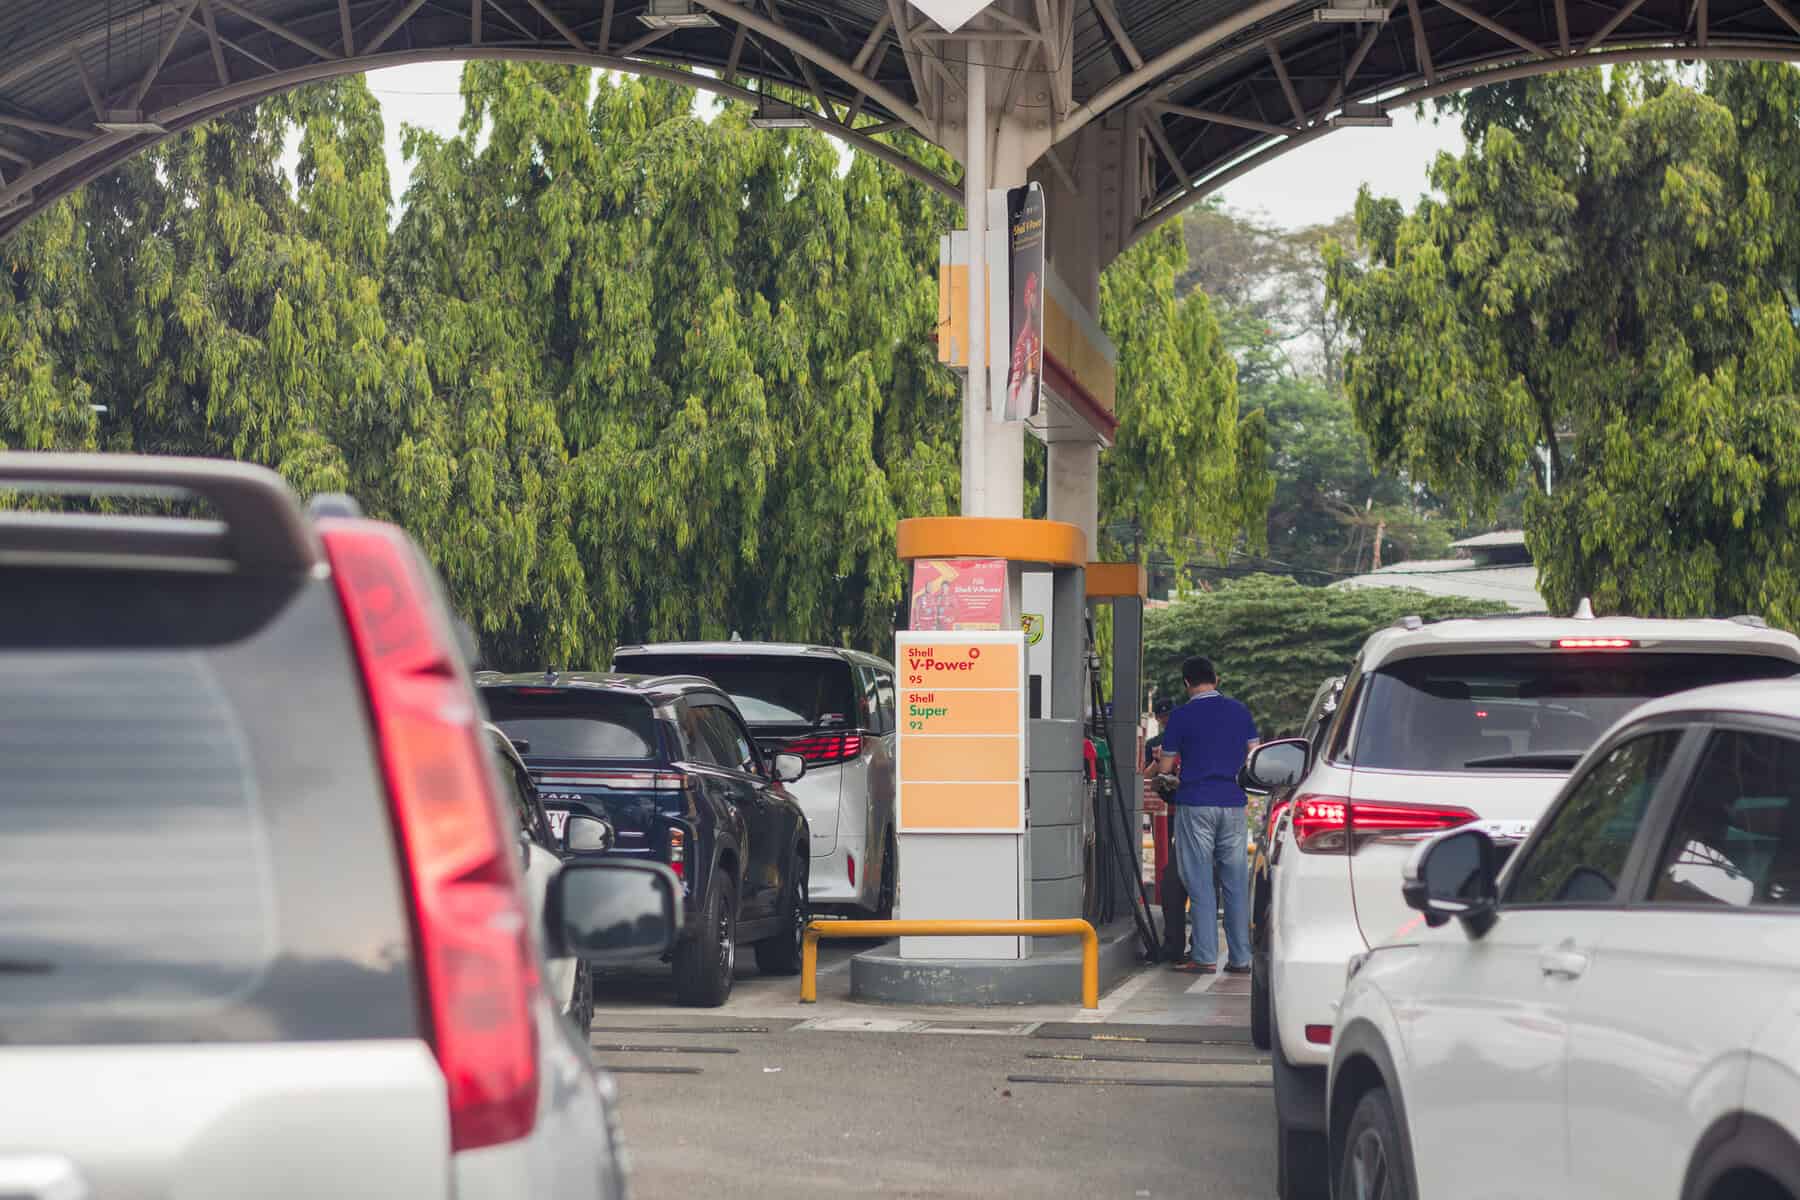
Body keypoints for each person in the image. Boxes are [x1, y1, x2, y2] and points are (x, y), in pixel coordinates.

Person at [1154, 656, 1258, 974]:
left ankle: (1204, 956)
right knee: (1235, 882)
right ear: (1216, 678)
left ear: (1187, 683)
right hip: (1233, 803)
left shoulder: (1182, 717)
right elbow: (1255, 756)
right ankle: (1241, 958)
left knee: (1199, 881)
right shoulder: (1240, 711)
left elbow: (1166, 768)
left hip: (1196, 803)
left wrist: (1163, 767)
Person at [1144, 698, 1190, 963]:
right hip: (1172, 813)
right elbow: (1147, 777)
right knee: (1175, 878)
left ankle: (1185, 946)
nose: (1166, 720)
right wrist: (1157, 762)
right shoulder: (1156, 744)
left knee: (1181, 879)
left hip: (1190, 813)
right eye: (1162, 717)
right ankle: (1179, 946)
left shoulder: (1188, 740)